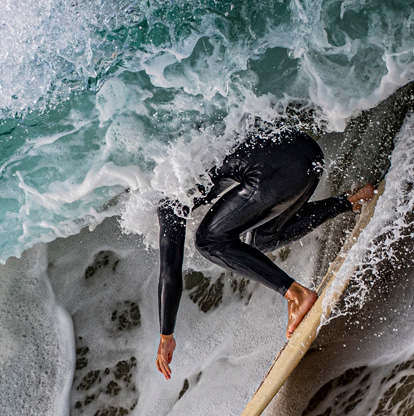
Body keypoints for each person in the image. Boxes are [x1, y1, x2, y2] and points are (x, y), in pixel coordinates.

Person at [155, 130, 375, 380]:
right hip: (306, 154)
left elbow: (169, 272)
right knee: (262, 238)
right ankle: (353, 200)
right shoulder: (193, 156)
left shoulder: (169, 199)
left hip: (276, 173)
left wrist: (166, 335)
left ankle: (297, 294)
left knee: (208, 241)